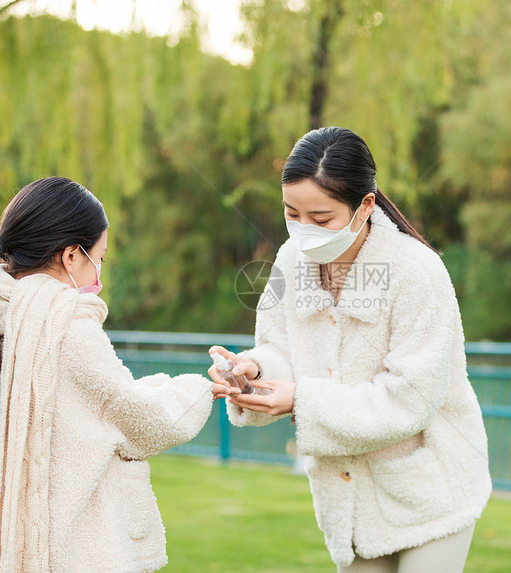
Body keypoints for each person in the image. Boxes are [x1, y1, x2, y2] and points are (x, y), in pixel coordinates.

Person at [209, 127, 492, 572]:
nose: (303, 231)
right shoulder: (289, 262)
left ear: (365, 206)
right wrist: (254, 370)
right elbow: (279, 347)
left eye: (321, 219)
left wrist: (300, 400)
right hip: (350, 501)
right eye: (291, 213)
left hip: (432, 491)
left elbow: (409, 399)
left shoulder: (416, 273)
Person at [0, 176, 218, 573]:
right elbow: (142, 420)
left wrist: (161, 386)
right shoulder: (67, 329)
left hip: (5, 544)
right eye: (99, 257)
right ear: (72, 256)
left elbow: (101, 403)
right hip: (77, 552)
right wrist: (201, 388)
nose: (98, 274)